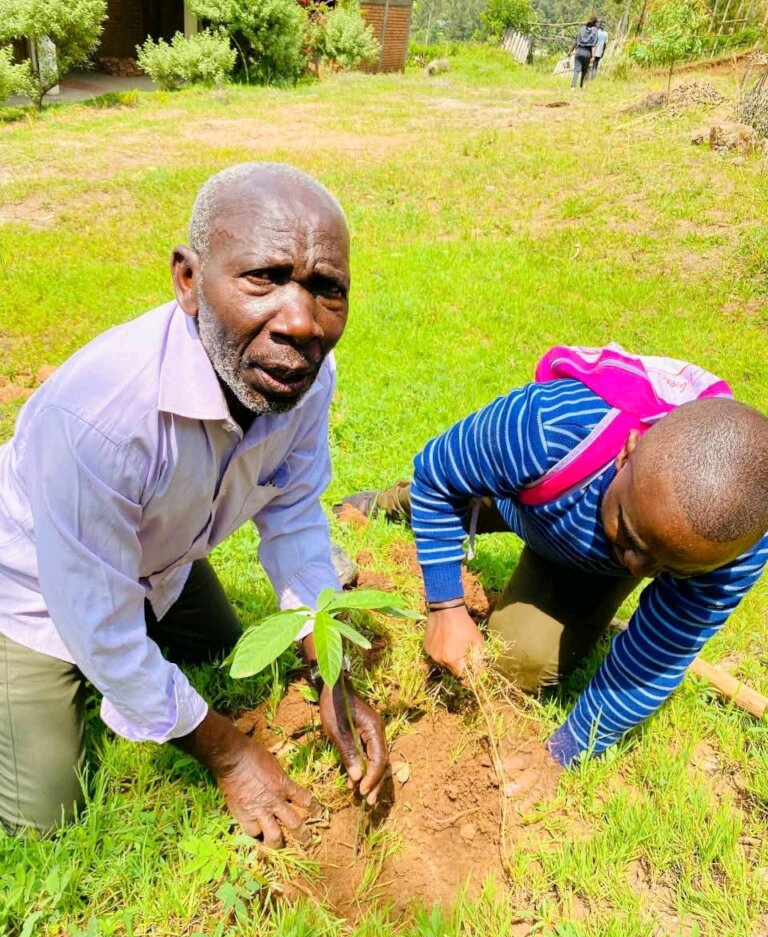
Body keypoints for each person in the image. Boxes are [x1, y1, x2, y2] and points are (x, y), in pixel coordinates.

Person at [0, 162, 388, 843]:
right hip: (30, 587)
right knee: (46, 819)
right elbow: (99, 622)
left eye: (327, 290)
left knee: (225, 651)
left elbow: (294, 516)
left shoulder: (298, 373)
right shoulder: (102, 417)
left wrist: (330, 668)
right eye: (264, 278)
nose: (300, 322)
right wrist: (232, 754)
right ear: (189, 280)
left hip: (158, 556)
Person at [336, 347, 768, 788]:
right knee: (441, 497)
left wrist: (565, 751)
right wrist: (446, 606)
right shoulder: (551, 427)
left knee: (523, 660)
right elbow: (440, 478)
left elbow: (658, 654)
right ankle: (386, 502)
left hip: (580, 555)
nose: (639, 568)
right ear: (627, 452)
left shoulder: (732, 547)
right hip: (527, 493)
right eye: (633, 537)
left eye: (667, 566)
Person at [569, 16, 598, 89]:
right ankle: (581, 86)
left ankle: (573, 87)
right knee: (584, 70)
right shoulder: (595, 31)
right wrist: (593, 56)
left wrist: (570, 51)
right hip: (587, 52)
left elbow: (575, 41)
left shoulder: (582, 29)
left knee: (576, 69)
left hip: (578, 51)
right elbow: (593, 45)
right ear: (595, 23)